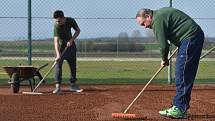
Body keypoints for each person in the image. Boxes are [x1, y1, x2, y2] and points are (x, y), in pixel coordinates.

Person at [136, 7, 204, 119]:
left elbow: (163, 45)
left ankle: (179, 108)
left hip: (190, 37)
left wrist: (164, 59)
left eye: (144, 23)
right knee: (182, 72)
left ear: (148, 16)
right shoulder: (159, 16)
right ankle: (179, 107)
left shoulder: (157, 20)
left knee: (182, 72)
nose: (145, 27)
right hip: (188, 38)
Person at [52, 10, 83, 94]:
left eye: (59, 20)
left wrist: (72, 40)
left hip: (71, 46)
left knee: (73, 65)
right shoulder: (56, 26)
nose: (57, 22)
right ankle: (58, 87)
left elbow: (78, 30)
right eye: (56, 21)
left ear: (63, 18)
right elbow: (56, 41)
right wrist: (58, 55)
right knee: (58, 65)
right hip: (61, 48)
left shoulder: (71, 20)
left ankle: (73, 85)